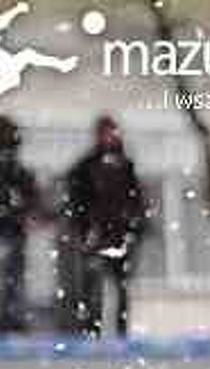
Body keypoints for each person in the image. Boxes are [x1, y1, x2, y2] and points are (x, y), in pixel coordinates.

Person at [61, 115, 147, 337]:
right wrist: (84, 229)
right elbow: (76, 200)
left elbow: (135, 200)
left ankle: (118, 331)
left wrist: (133, 225)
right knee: (94, 290)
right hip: (97, 236)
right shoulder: (88, 167)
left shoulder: (124, 166)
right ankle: (93, 330)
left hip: (117, 236)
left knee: (119, 288)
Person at [0, 115, 38, 332]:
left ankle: (1, 320)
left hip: (1, 228)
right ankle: (5, 320)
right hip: (1, 228)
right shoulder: (6, 166)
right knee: (4, 279)